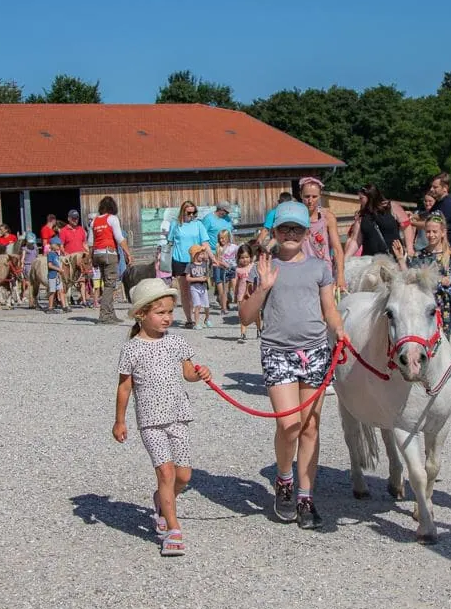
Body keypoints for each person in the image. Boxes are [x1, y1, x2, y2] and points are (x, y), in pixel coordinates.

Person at [237, 200, 349, 531]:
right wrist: (265, 287)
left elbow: (329, 309)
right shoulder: (265, 267)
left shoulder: (319, 268)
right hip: (277, 352)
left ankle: (305, 495)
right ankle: (284, 478)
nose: (289, 234)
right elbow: (245, 315)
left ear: (305, 233)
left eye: (296, 229)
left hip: (314, 351)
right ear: (274, 231)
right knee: (289, 425)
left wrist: (339, 329)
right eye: (284, 228)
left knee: (311, 426)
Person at [113, 278, 213, 557]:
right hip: (150, 421)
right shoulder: (132, 348)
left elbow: (188, 373)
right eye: (161, 312)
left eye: (170, 311)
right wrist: (119, 420)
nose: (167, 317)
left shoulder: (177, 342)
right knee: (166, 473)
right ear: (142, 314)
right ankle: (173, 528)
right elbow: (124, 386)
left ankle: (161, 501)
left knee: (183, 475)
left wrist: (201, 373)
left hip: (178, 416)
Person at [404, 212, 451, 337]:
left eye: (435, 231)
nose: (431, 235)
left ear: (442, 232)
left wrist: (450, 281)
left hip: (445, 308)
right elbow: (410, 278)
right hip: (424, 308)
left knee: (443, 343)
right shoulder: (419, 256)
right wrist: (401, 259)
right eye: (428, 231)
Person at [91, 196, 135, 325]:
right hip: (109, 253)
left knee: (106, 283)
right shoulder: (112, 219)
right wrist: (128, 254)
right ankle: (104, 315)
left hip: (97, 253)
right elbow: (119, 238)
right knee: (110, 285)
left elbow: (90, 242)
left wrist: (91, 257)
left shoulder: (94, 221)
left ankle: (111, 314)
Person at [296, 176, 346, 291]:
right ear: (300, 195)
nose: (310, 200)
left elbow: (338, 250)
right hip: (302, 272)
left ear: (320, 196)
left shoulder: (327, 218)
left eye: (314, 196)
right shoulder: (295, 218)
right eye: (307, 196)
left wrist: (340, 275)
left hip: (324, 272)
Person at [166, 201, 210, 328]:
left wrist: (212, 257)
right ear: (183, 212)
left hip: (195, 261)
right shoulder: (175, 224)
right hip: (179, 260)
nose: (191, 215)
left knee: (196, 290)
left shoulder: (198, 224)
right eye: (189, 212)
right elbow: (169, 242)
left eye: (193, 212)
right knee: (185, 292)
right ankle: (189, 319)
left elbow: (205, 243)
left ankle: (199, 317)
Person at [234, 245, 260, 344]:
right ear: (238, 258)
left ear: (251, 257)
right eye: (242, 257)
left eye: (247, 257)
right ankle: (243, 333)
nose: (245, 260)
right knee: (242, 315)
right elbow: (236, 283)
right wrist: (235, 294)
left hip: (253, 295)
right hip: (242, 295)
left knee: (256, 314)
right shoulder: (237, 270)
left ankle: (259, 330)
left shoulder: (253, 267)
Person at [187, 244, 212, 328]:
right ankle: (197, 323)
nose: (202, 255)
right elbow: (188, 278)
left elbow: (208, 274)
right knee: (197, 305)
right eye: (200, 254)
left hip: (203, 288)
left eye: (203, 253)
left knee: (206, 305)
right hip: (194, 288)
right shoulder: (190, 265)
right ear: (195, 255)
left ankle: (207, 319)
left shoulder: (205, 264)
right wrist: (198, 279)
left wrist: (206, 278)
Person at [216, 229, 239, 315]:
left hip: (233, 268)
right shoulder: (219, 248)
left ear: (228, 238)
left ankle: (239, 304)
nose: (221, 240)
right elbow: (218, 260)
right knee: (225, 290)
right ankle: (224, 307)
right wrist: (224, 264)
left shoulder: (234, 247)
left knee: (235, 287)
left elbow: (237, 256)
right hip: (225, 270)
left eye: (223, 238)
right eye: (220, 238)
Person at [46, 235, 68, 313]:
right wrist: (59, 269)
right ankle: (50, 307)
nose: (60, 246)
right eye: (58, 245)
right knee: (52, 291)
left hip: (58, 276)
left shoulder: (56, 254)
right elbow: (50, 265)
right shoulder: (50, 254)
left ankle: (64, 306)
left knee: (61, 290)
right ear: (53, 245)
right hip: (52, 276)